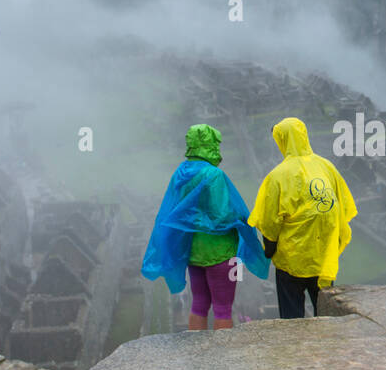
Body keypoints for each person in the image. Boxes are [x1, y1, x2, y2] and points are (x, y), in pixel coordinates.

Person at [141, 123, 269, 330]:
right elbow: (220, 215)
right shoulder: (213, 175)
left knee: (199, 304)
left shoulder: (181, 173)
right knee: (223, 308)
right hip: (219, 252)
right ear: (210, 144)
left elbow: (174, 210)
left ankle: (195, 353)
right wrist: (240, 219)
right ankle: (220, 357)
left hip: (192, 251)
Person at [249, 117, 357, 318]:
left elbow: (269, 222)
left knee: (292, 318)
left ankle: (295, 348)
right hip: (322, 256)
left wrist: (269, 249)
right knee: (325, 314)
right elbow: (341, 206)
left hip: (292, 260)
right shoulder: (326, 167)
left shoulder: (277, 176)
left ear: (283, 141)